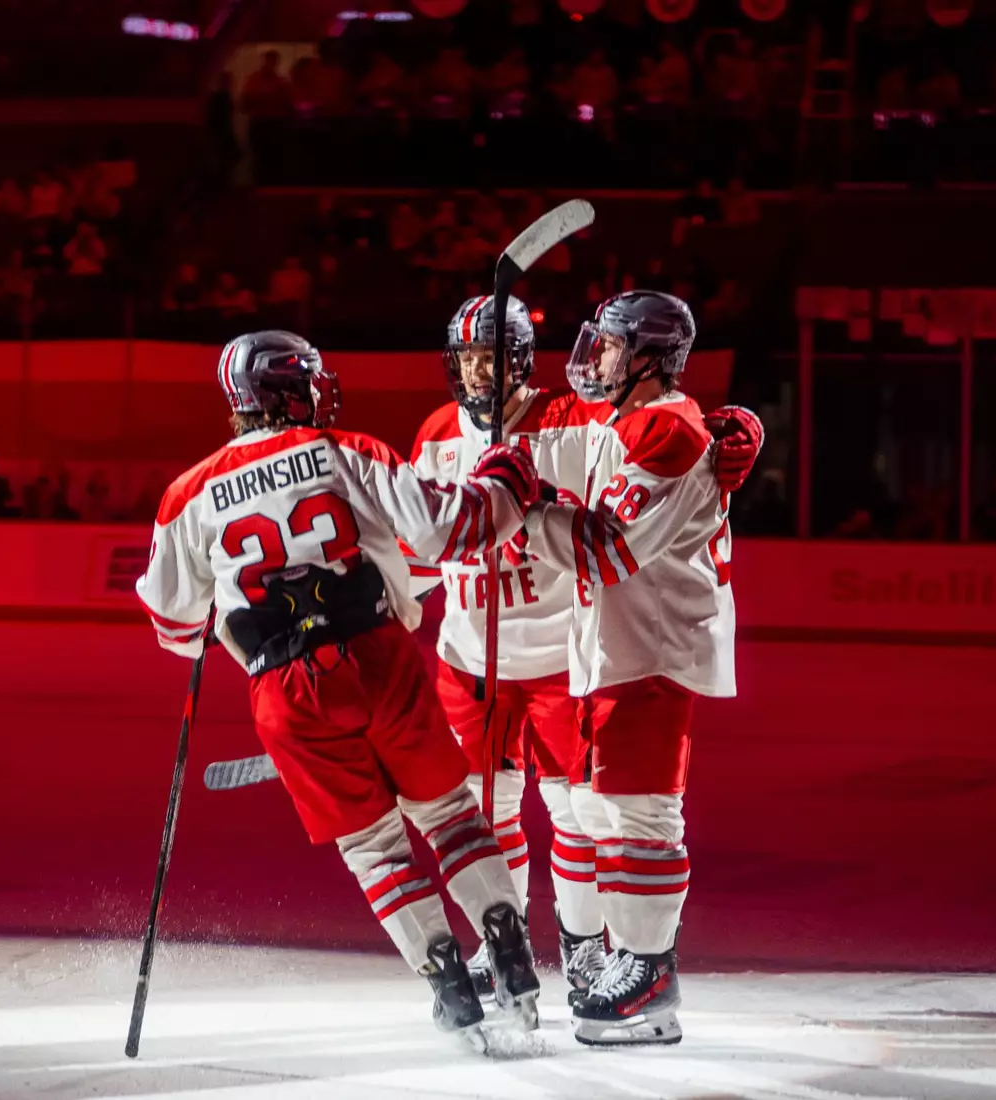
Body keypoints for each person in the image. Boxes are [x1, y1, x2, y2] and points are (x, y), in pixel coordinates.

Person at [136, 330, 543, 1043]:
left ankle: (444, 972)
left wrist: (227, 616)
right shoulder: (348, 450)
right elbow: (446, 529)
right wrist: (504, 479)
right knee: (448, 814)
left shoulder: (187, 494)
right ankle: (501, 930)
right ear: (287, 389)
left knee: (375, 847)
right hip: (380, 655)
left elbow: (174, 627)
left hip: (286, 693)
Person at [412, 296, 762, 1009]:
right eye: (468, 358)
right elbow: (419, 547)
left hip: (560, 655)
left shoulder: (576, 417)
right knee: (486, 814)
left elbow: (666, 451)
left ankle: (586, 949)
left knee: (582, 812)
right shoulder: (438, 433)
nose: (479, 371)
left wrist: (741, 428)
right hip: (469, 660)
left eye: (492, 356)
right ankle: (498, 943)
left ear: (519, 359)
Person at [517, 290, 754, 1046]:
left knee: (643, 813)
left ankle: (650, 974)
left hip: (651, 648)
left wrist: (523, 511)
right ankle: (635, 958)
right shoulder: (631, 422)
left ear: (650, 358)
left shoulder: (666, 430)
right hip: (617, 646)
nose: (600, 359)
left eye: (614, 348)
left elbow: (606, 548)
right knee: (608, 810)